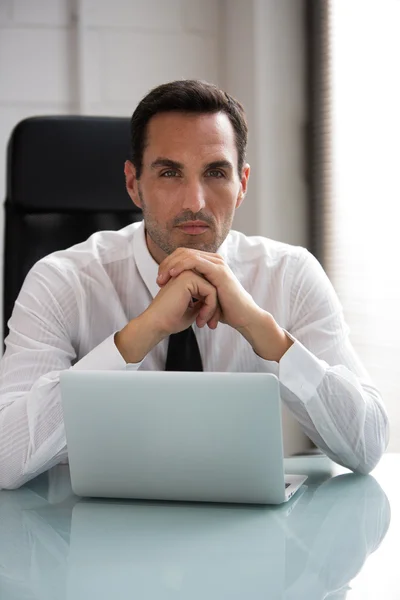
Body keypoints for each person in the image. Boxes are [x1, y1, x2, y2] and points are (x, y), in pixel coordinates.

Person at [0, 80, 389, 490]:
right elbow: (6, 458)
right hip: (88, 529)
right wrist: (138, 336)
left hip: (243, 535)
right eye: (169, 173)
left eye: (216, 172)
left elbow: (365, 447)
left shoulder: (289, 275)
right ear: (133, 183)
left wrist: (266, 333)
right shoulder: (62, 280)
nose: (195, 203)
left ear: (242, 184)